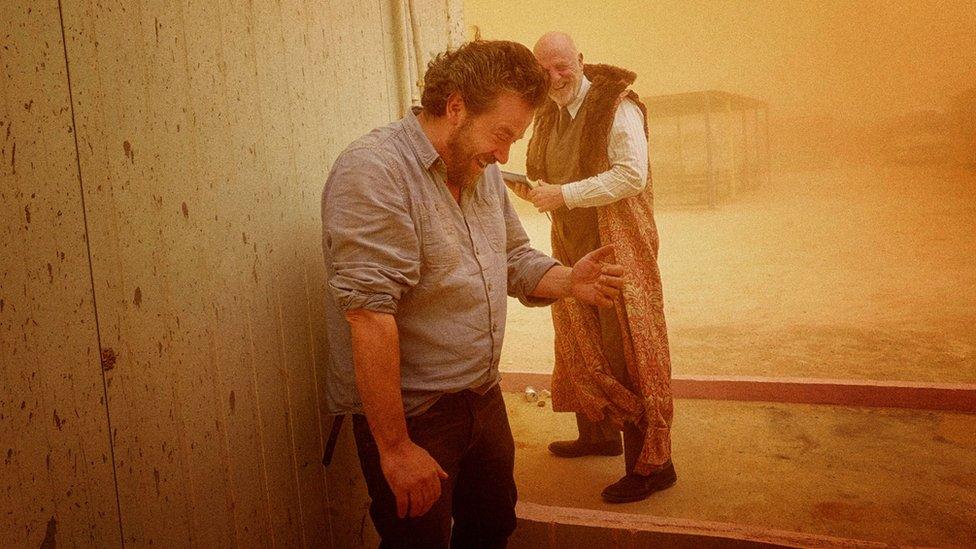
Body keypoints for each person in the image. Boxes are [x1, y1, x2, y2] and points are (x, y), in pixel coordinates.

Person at [321, 40, 627, 548]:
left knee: (491, 528)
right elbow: (369, 317)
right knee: (418, 543)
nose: (505, 154)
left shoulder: (479, 168)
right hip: (417, 418)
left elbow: (512, 259)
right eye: (502, 134)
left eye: (516, 138)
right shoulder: (374, 172)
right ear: (457, 106)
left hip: (483, 401)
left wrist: (571, 280)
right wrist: (395, 450)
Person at [509, 31, 675, 503]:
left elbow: (630, 175)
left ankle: (655, 464)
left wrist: (562, 194)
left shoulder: (616, 107)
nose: (554, 77)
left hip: (618, 243)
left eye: (562, 66)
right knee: (580, 332)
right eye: (544, 71)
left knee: (630, 343)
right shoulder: (548, 114)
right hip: (571, 240)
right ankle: (599, 435)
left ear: (579, 61)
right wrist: (536, 189)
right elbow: (557, 176)